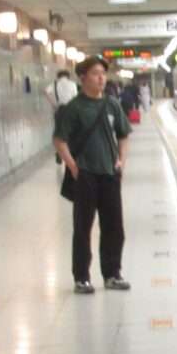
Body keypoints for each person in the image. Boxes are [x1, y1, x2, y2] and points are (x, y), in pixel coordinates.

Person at [53, 56, 132, 294]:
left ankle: (112, 274)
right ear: (83, 77)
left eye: (103, 74)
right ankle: (81, 278)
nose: (101, 78)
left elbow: (124, 134)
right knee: (83, 227)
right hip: (85, 175)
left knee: (114, 226)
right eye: (96, 73)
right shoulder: (74, 108)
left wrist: (121, 161)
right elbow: (59, 140)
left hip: (109, 173)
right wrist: (73, 166)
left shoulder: (111, 105)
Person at [45, 70, 77, 163]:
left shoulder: (54, 84)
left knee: (58, 131)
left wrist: (53, 103)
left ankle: (59, 152)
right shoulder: (72, 84)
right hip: (70, 110)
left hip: (59, 109)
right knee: (71, 131)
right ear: (68, 76)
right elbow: (75, 97)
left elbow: (46, 91)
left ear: (58, 76)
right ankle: (69, 152)